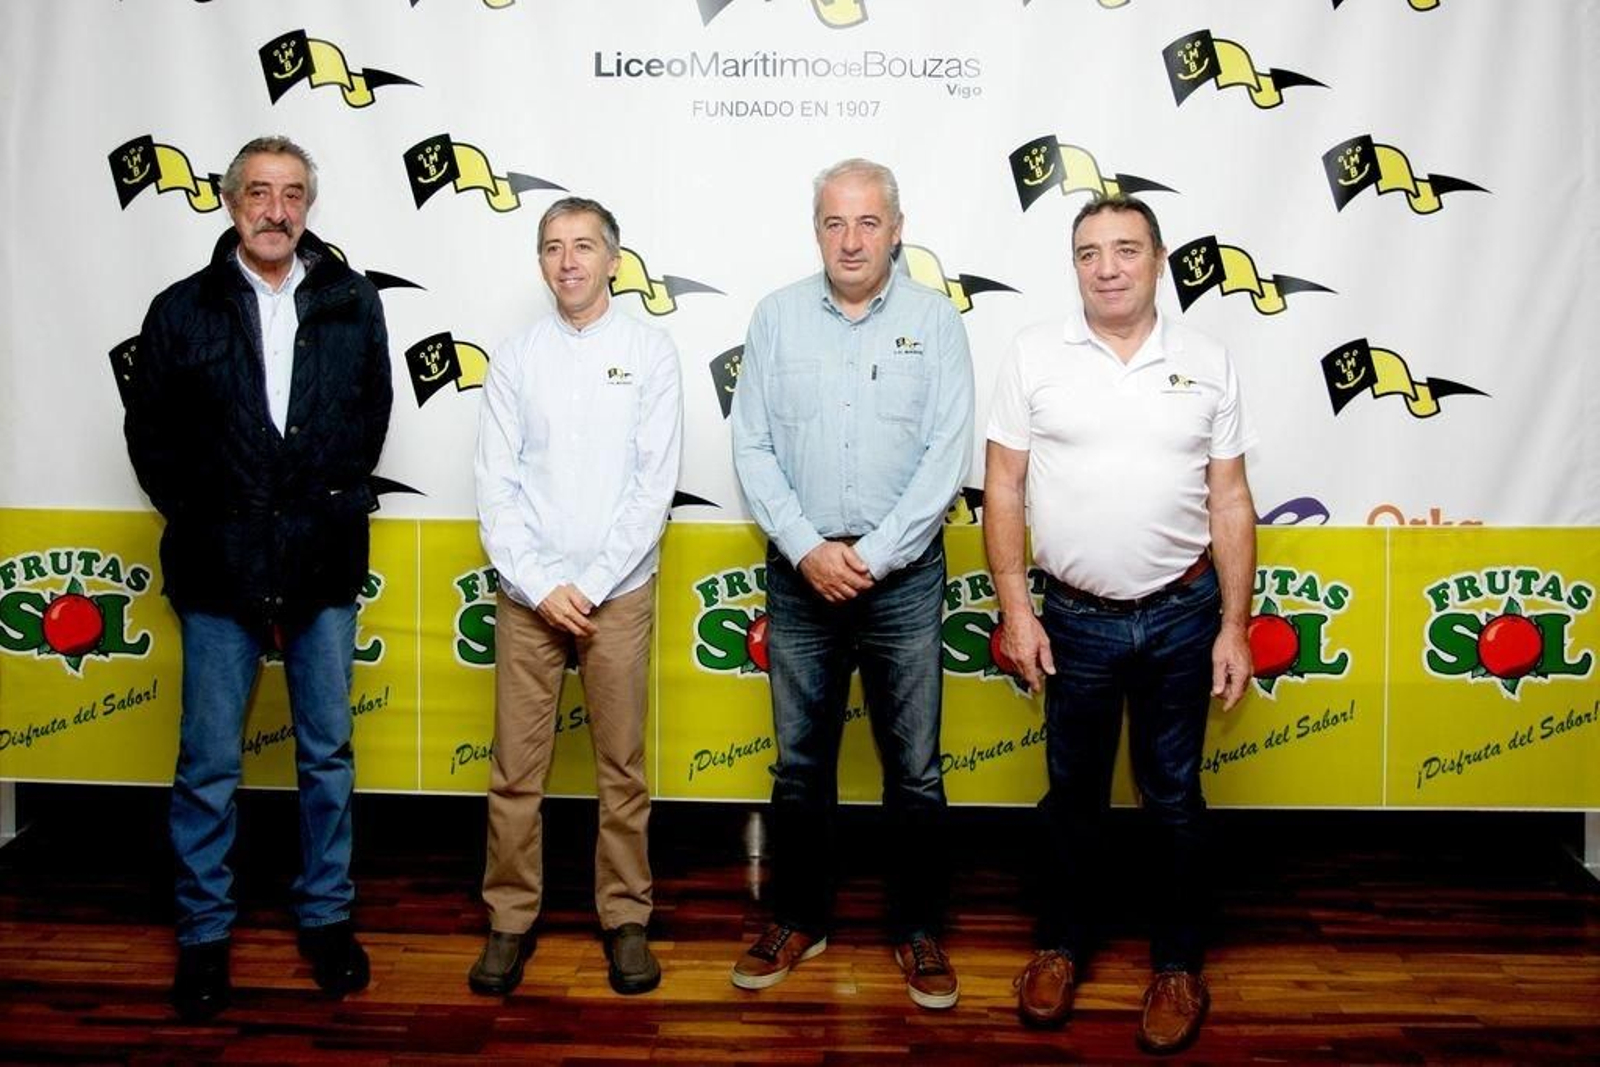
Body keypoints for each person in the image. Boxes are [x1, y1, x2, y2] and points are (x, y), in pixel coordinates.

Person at [121, 136, 393, 1021]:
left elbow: (370, 416)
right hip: (218, 564)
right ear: (232, 201)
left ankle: (326, 916)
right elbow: (150, 437)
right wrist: (211, 516)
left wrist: (320, 501)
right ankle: (203, 932)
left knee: (327, 753)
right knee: (207, 761)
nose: (277, 210)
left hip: (321, 557)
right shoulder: (181, 308)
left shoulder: (352, 301)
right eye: (261, 192)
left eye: (294, 193)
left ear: (309, 205)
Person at [983, 194, 1257, 1053]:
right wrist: (1017, 609)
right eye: (1089, 252)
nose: (1107, 268)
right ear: (1074, 265)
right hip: (1074, 620)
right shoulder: (1034, 354)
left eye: (1126, 249)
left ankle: (1177, 965)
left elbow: (1230, 498)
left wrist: (1235, 626)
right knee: (1073, 797)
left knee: (1173, 798)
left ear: (1158, 259)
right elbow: (1003, 487)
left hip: (1184, 614)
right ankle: (1061, 947)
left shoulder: (1208, 359)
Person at [728, 159, 975, 1010]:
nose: (852, 240)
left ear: (897, 229)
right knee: (801, 767)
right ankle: (800, 918)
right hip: (801, 577)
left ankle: (917, 928)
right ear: (816, 231)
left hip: (901, 579)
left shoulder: (936, 322)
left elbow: (946, 454)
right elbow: (752, 446)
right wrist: (807, 548)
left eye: (869, 222)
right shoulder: (776, 318)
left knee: (915, 770)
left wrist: (873, 553)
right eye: (835, 223)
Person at [470, 196, 683, 998]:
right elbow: (496, 485)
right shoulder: (515, 357)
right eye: (554, 247)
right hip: (529, 596)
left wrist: (588, 588)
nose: (569, 261)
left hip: (616, 593)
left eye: (584, 246)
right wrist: (541, 583)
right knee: (514, 771)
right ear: (541, 263)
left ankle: (625, 916)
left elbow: (652, 486)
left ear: (613, 261)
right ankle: (509, 918)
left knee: (621, 767)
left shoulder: (650, 353)